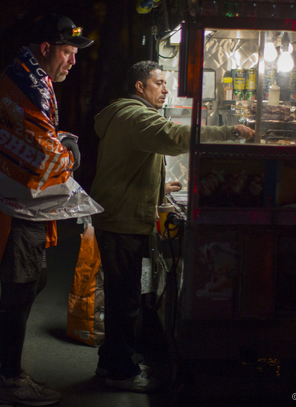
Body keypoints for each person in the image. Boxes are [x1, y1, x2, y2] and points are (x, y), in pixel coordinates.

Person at [0, 14, 98, 407]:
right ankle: (9, 378)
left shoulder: (29, 77)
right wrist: (70, 155)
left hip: (15, 202)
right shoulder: (29, 84)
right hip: (15, 206)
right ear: (46, 48)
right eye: (67, 52)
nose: (73, 60)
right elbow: (41, 150)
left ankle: (3, 367)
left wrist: (60, 145)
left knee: (32, 282)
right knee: (21, 286)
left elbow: (33, 136)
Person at [89, 60, 254, 393]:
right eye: (159, 83)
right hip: (122, 221)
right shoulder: (136, 116)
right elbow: (174, 136)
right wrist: (227, 132)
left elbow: (127, 167)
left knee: (123, 298)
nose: (165, 89)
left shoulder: (123, 114)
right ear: (140, 87)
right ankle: (121, 372)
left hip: (120, 215)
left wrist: (161, 188)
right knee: (126, 300)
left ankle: (110, 362)